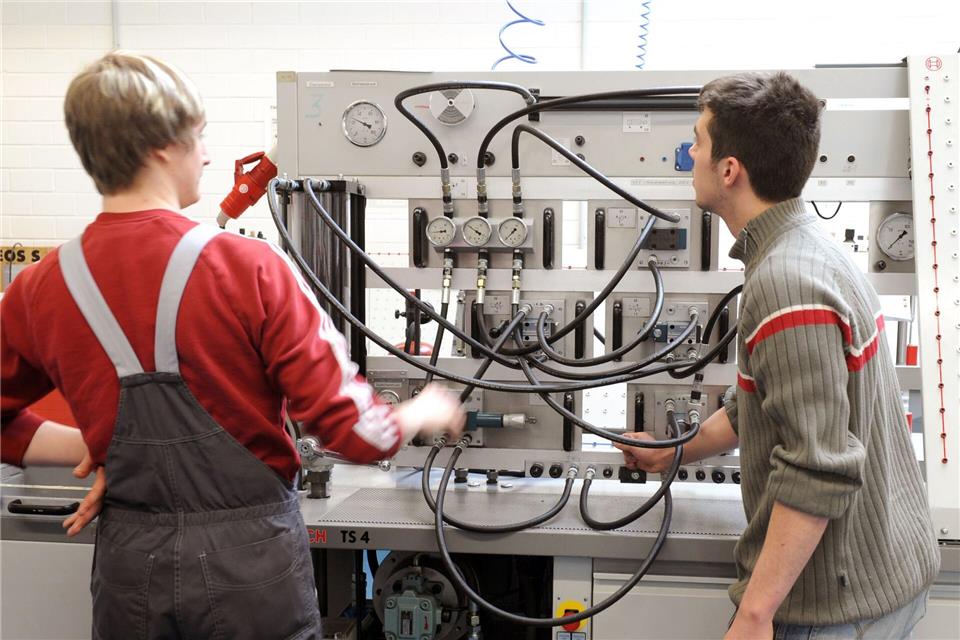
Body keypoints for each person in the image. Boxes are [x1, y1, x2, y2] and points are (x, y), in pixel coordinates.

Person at [0, 51, 464, 640]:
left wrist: (102, 447)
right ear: (163, 146)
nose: (210, 155)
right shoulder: (250, 267)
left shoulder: (40, 285)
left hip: (129, 570)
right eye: (200, 137)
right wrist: (429, 406)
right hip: (249, 567)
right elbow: (357, 435)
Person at [615, 72, 940, 640]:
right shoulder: (806, 251)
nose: (690, 153)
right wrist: (674, 454)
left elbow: (818, 465)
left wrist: (755, 614)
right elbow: (760, 406)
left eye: (698, 141)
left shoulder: (786, 285)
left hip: (838, 607)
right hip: (874, 580)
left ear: (729, 170)